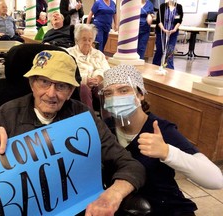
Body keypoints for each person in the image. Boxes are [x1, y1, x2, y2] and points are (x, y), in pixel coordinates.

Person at [0, 50, 146, 216]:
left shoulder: (84, 117)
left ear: (70, 92)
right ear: (32, 84)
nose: (51, 93)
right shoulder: (5, 116)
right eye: (44, 82)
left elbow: (131, 166)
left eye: (61, 86)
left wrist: (112, 195)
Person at [101, 64, 223, 216]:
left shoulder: (161, 130)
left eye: (124, 90)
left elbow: (216, 179)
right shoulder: (105, 129)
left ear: (140, 94)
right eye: (108, 93)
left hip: (166, 208)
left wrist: (167, 152)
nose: (115, 98)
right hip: (126, 207)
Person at [67, 24, 109, 110]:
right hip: (77, 87)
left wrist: (98, 77)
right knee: (84, 88)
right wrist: (86, 80)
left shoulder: (98, 54)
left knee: (104, 88)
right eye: (84, 39)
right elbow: (68, 73)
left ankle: (109, 119)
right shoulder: (69, 53)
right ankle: (90, 119)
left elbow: (106, 69)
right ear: (77, 40)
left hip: (96, 84)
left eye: (90, 40)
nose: (87, 42)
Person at [152, 0, 183, 69]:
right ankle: (154, 67)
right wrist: (163, 29)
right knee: (159, 50)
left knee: (170, 51)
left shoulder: (179, 7)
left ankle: (170, 69)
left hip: (173, 33)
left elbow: (179, 20)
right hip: (161, 32)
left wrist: (174, 29)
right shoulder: (163, 6)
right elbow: (159, 20)